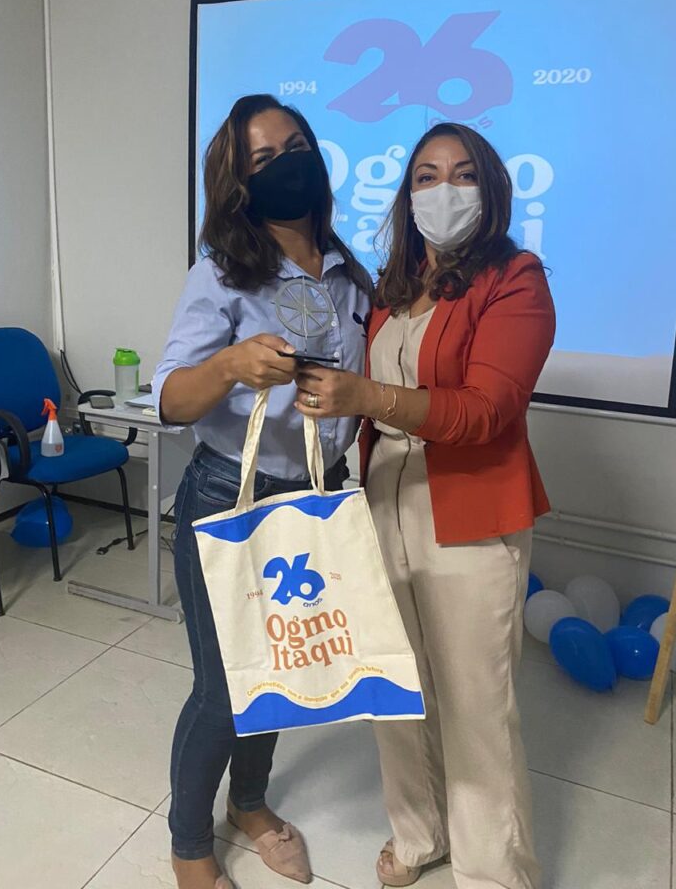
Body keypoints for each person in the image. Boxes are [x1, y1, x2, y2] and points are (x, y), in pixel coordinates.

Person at [293, 122, 555, 889]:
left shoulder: (516, 279)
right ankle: (418, 835)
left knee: (477, 710)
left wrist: (367, 396)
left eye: (464, 174)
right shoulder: (395, 285)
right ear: (407, 196)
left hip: (470, 511)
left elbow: (485, 411)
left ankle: (492, 874)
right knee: (397, 689)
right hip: (385, 501)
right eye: (427, 177)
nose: (445, 190)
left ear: (492, 189)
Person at [153, 94, 371, 889]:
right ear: (240, 183)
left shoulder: (350, 274)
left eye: (297, 147)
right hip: (230, 495)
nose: (288, 166)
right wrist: (229, 365)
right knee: (224, 690)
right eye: (265, 159)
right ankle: (189, 846)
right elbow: (171, 400)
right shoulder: (220, 273)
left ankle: (250, 804)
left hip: (317, 497)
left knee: (280, 676)